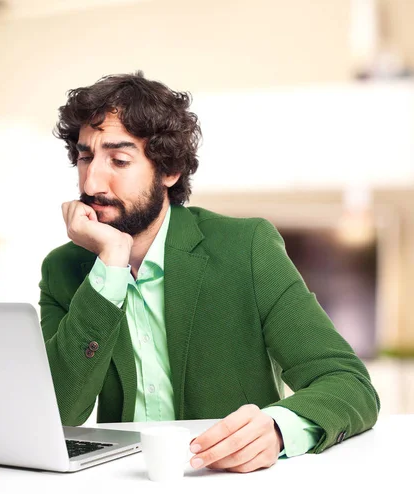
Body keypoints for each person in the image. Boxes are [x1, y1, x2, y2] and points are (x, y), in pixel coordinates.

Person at [38, 71, 380, 473]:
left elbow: (348, 383)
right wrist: (110, 264)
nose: (92, 180)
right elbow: (60, 410)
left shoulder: (245, 248)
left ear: (169, 170)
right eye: (84, 156)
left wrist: (278, 428)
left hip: (230, 480)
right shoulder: (64, 268)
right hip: (126, 480)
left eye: (119, 160)